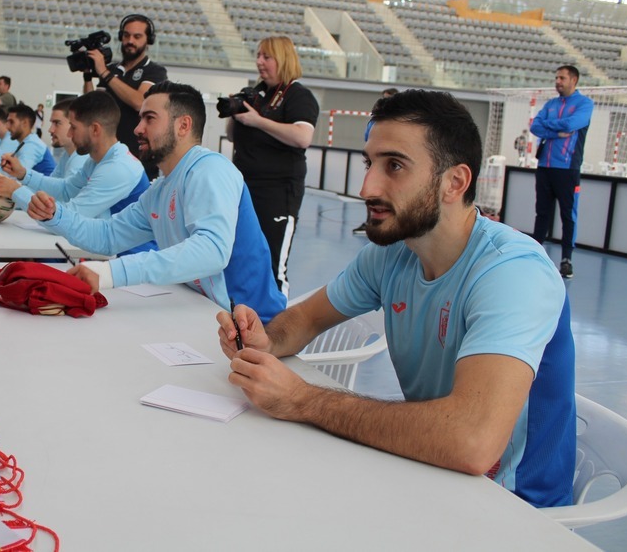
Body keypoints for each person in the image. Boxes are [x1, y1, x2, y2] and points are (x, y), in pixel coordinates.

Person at [217, 90, 576, 509]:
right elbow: (306, 320)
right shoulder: (393, 253)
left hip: (512, 510)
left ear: (454, 182)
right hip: (431, 474)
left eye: (395, 166)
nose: (367, 186)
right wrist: (267, 339)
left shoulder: (514, 273)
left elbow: (471, 441)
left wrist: (302, 400)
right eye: (371, 163)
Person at [29, 81, 286, 322]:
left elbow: (211, 252)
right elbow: (108, 236)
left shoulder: (210, 170)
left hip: (252, 331)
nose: (137, 129)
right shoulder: (162, 188)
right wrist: (55, 215)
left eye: (149, 119)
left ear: (183, 126)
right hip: (206, 319)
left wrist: (111, 273)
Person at [227, 36, 318, 295]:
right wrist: (236, 114)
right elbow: (234, 136)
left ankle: (279, 327)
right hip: (246, 188)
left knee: (273, 264)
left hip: (277, 193)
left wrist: (258, 121)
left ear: (283, 59)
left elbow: (302, 137)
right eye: (258, 56)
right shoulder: (258, 94)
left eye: (266, 57)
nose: (259, 62)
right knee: (243, 255)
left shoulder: (298, 95)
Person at [0, 92, 149, 220]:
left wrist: (16, 191)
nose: (69, 133)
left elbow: (69, 218)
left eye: (73, 127)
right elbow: (66, 190)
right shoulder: (98, 160)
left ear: (95, 129)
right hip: (107, 253)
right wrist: (24, 175)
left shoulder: (117, 168)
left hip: (127, 257)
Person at [80, 14, 167, 179]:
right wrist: (87, 76)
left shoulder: (155, 71)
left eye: (137, 36)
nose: (130, 41)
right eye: (126, 35)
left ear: (149, 40)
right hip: (107, 159)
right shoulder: (112, 70)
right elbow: (93, 107)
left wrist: (104, 73)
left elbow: (140, 102)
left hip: (138, 161)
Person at [530, 65, 593, 279]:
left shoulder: (584, 104)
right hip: (545, 168)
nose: (557, 81)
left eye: (562, 78)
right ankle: (534, 253)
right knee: (542, 213)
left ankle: (566, 260)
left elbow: (574, 123)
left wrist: (549, 127)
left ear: (573, 80)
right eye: (556, 77)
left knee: (568, 215)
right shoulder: (551, 104)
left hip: (568, 169)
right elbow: (535, 126)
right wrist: (557, 131)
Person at [353, 87, 399, 237]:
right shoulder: (374, 121)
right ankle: (371, 222)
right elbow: (368, 139)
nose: (385, 101)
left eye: (389, 98)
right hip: (375, 163)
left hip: (390, 165)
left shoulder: (398, 123)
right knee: (372, 193)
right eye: (384, 98)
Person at [46, 99, 88, 179]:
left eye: (57, 123)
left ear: (73, 124)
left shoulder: (81, 159)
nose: (50, 129)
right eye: (52, 123)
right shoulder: (67, 154)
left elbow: (64, 191)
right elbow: (51, 184)